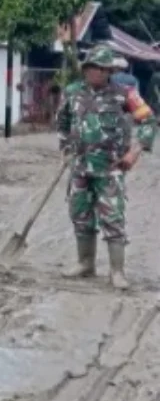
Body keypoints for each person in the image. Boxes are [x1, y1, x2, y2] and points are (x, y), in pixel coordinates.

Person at [57, 45, 156, 289]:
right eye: (93, 68)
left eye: (103, 69)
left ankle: (117, 271)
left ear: (110, 71)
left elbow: (148, 119)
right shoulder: (72, 92)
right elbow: (63, 120)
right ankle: (85, 263)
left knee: (113, 217)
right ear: (86, 69)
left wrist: (135, 152)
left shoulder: (124, 94)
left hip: (110, 168)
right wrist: (66, 148)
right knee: (80, 214)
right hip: (80, 167)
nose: (98, 73)